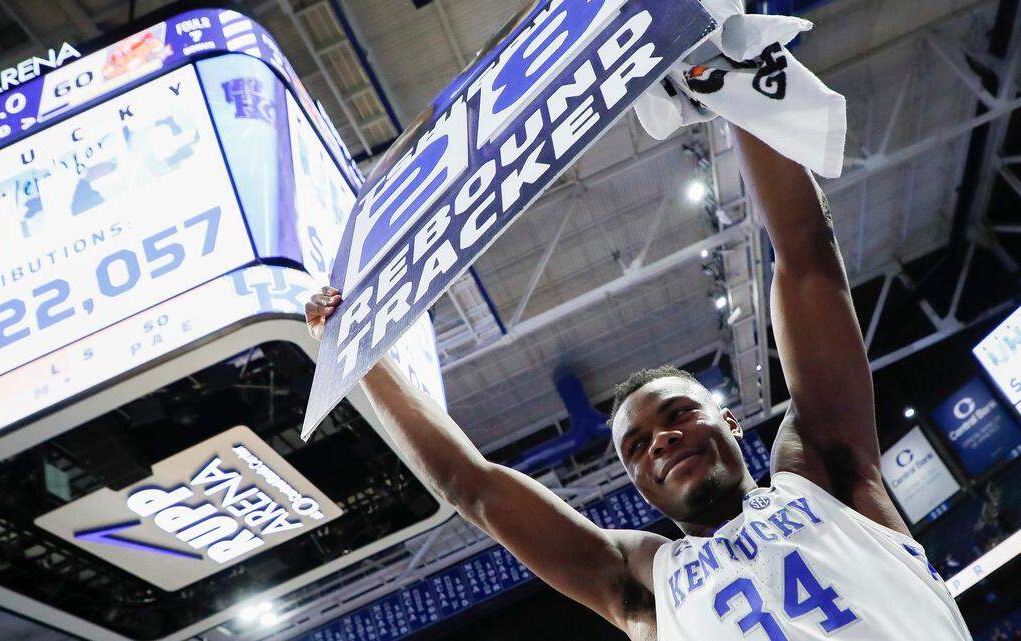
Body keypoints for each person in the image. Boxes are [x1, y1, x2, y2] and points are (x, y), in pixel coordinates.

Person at [304, 125, 972, 640]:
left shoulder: (822, 472)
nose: (661, 440)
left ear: (730, 420)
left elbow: (808, 260)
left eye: (678, 413)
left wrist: (742, 92)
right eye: (637, 445)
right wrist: (359, 357)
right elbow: (471, 487)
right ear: (638, 485)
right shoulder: (645, 582)